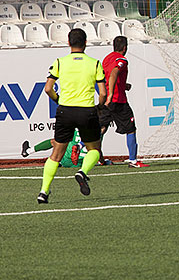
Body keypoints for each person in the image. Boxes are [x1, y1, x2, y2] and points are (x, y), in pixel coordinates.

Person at [38, 28, 106, 204]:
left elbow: (47, 89)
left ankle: (43, 192)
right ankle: (82, 172)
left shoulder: (60, 62)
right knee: (94, 150)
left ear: (68, 43)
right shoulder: (95, 63)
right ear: (85, 43)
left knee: (56, 154)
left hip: (65, 111)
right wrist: (99, 106)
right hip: (86, 111)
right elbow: (103, 93)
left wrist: (58, 100)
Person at [99, 35, 148, 167]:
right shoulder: (122, 59)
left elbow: (105, 77)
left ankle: (82, 147)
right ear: (125, 48)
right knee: (130, 129)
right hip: (118, 101)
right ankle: (133, 160)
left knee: (102, 128)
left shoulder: (107, 59)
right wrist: (111, 95)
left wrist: (122, 86)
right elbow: (114, 73)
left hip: (107, 100)